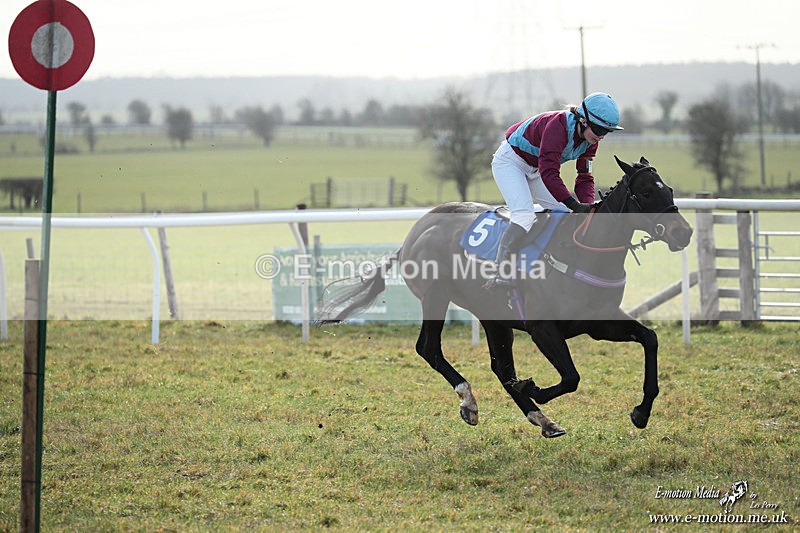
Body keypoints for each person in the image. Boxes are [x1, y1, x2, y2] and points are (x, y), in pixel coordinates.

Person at [486, 92, 623, 288]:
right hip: (510, 162)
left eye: (606, 132)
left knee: (567, 214)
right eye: (599, 129)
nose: (601, 136)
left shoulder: (591, 142)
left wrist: (587, 206)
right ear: (584, 121)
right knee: (524, 216)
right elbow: (549, 173)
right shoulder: (557, 127)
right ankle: (500, 271)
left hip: (535, 168)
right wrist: (574, 203)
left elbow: (584, 177)